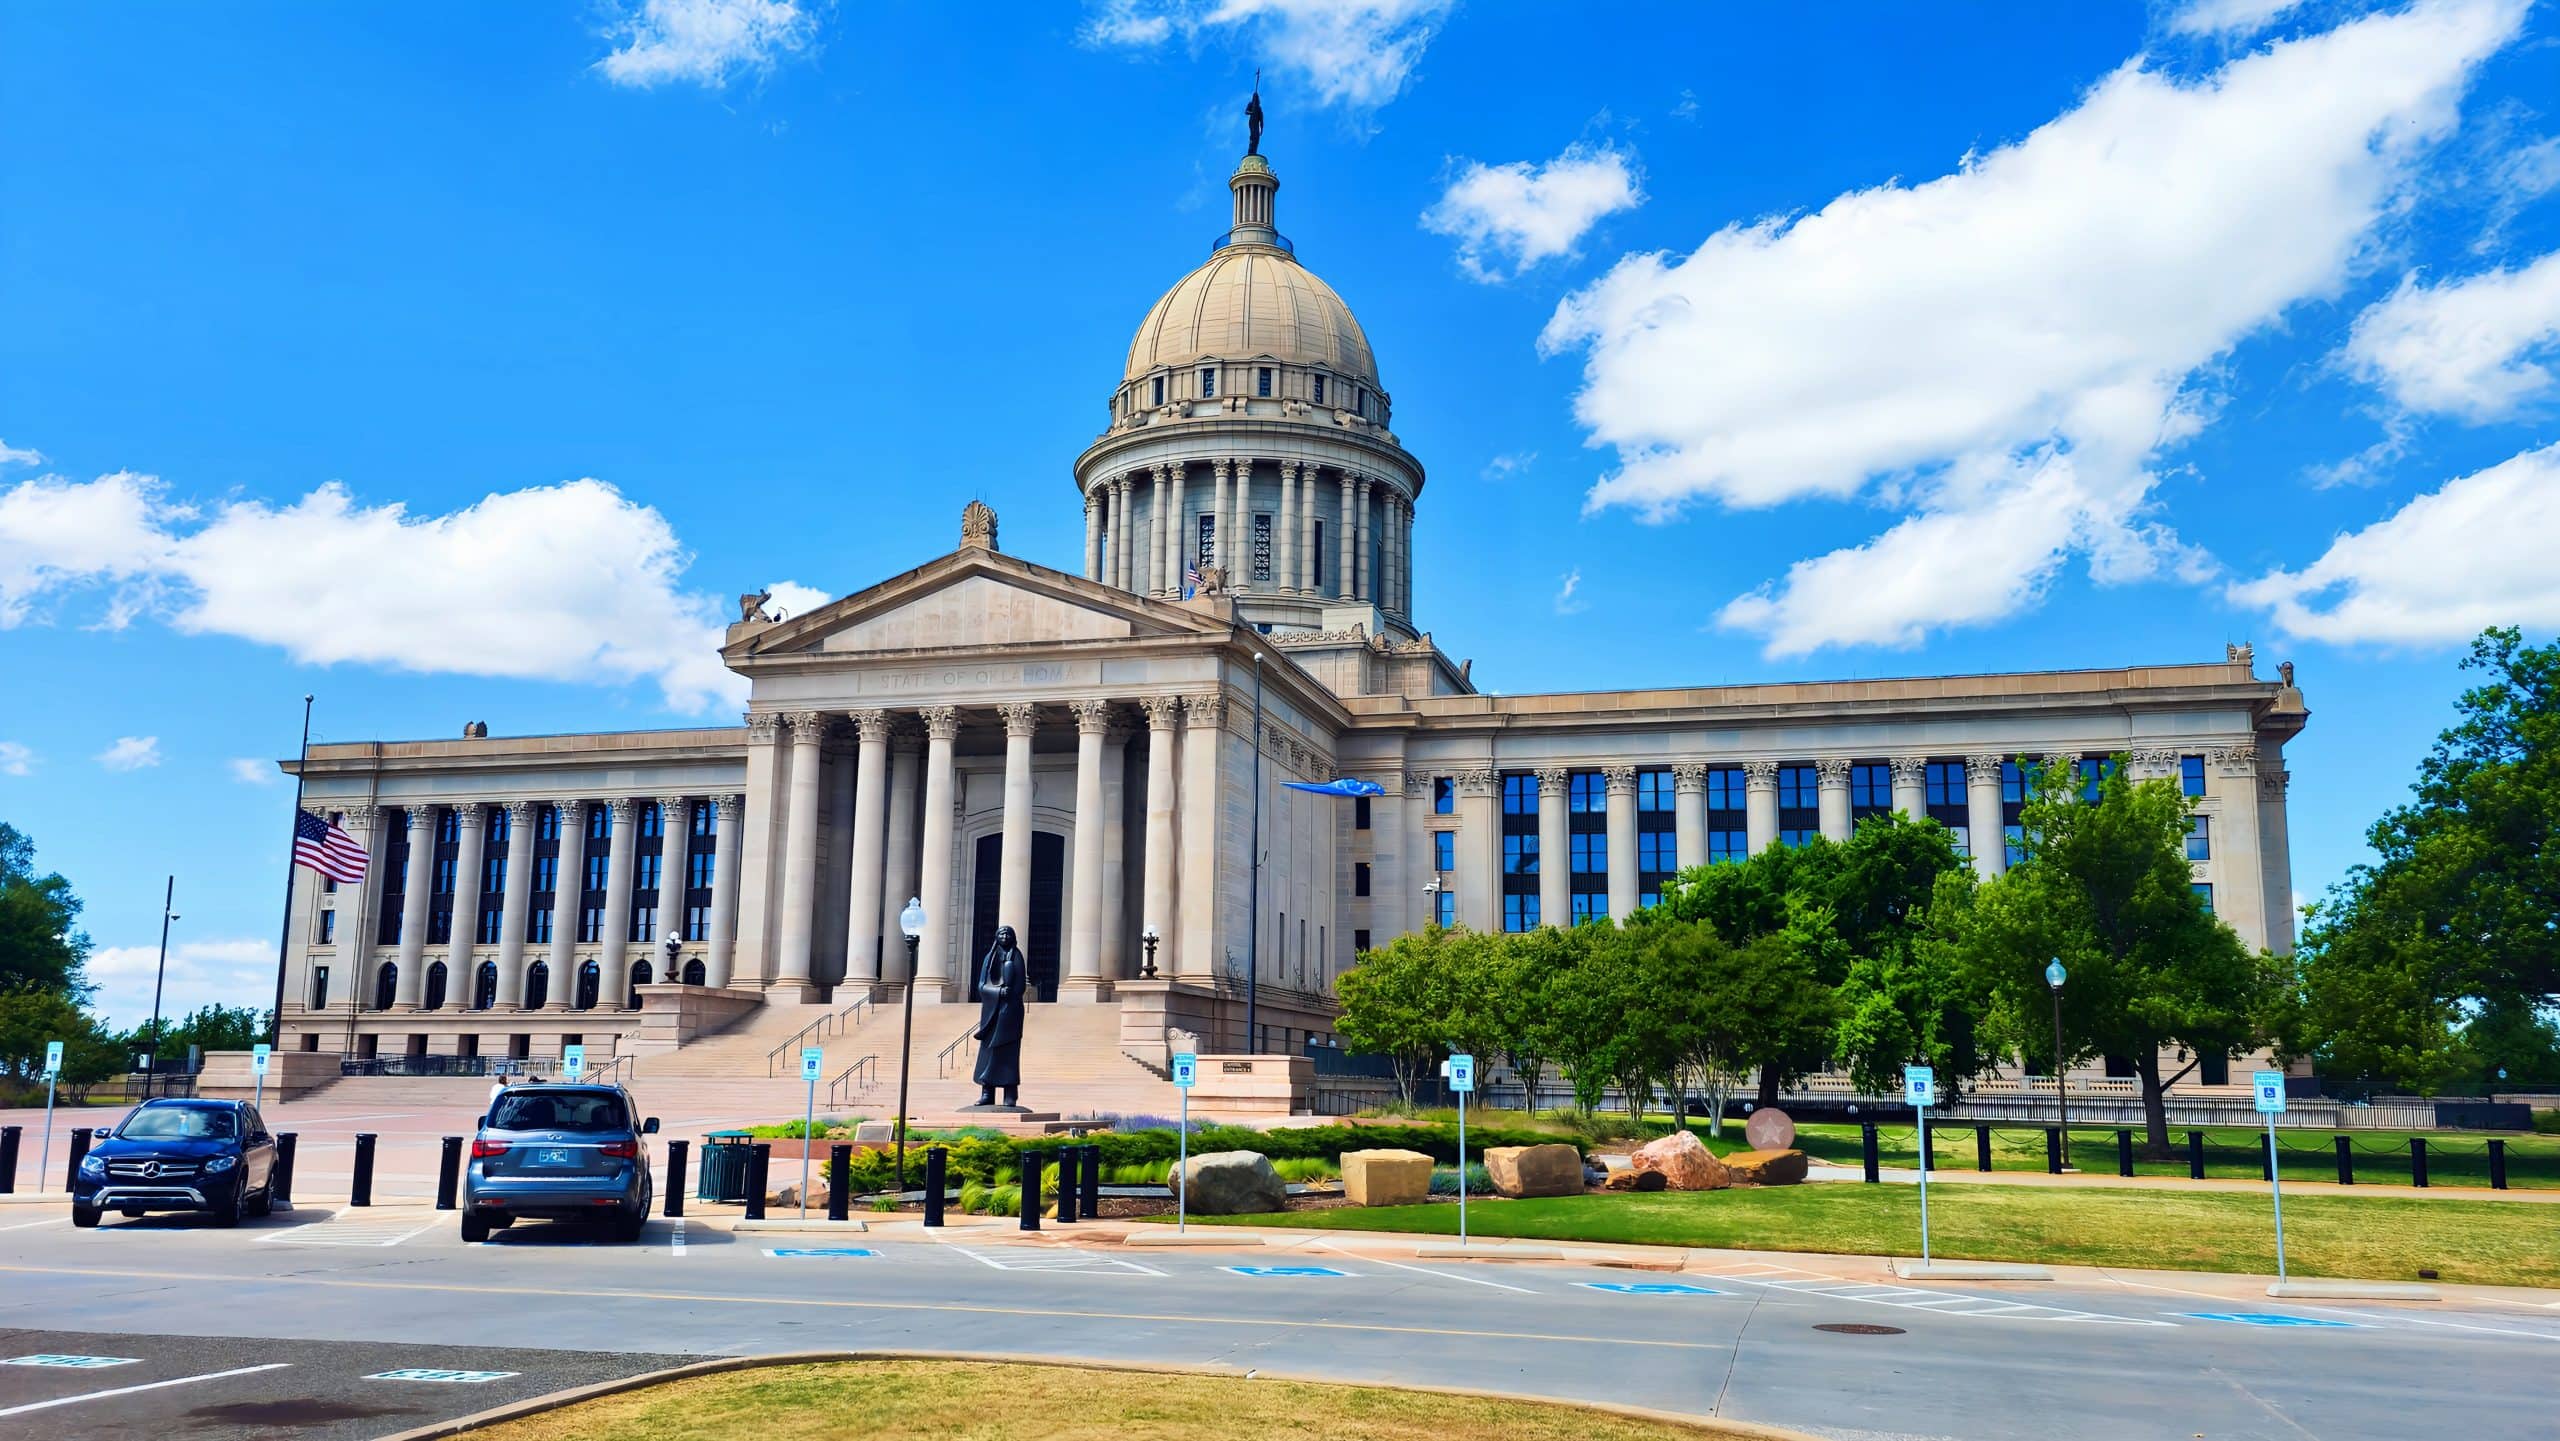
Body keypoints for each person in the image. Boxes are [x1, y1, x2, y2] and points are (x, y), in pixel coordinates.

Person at [972, 925, 1028, 1107]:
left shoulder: (1016, 957)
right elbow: (981, 986)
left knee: (1009, 1056)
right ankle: (987, 1093)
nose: (1004, 936)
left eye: (1008, 934)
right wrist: (998, 992)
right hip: (991, 1014)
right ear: (996, 937)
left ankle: (1010, 1094)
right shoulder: (989, 958)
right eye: (1001, 934)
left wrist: (1009, 994)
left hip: (1010, 1013)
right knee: (988, 1054)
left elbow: (1020, 986)